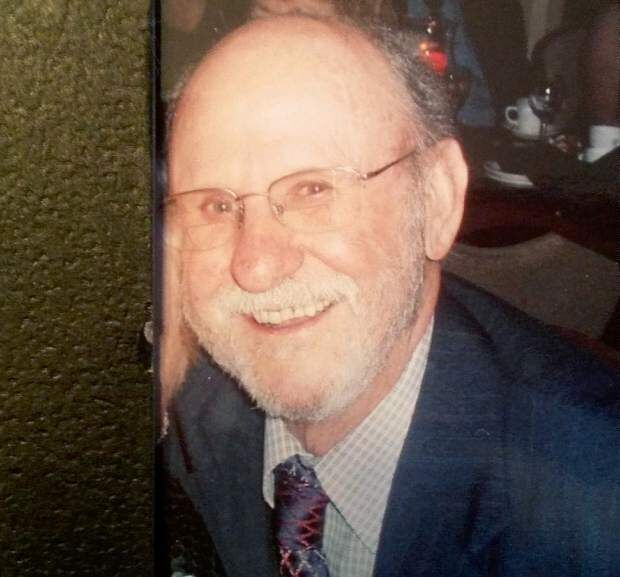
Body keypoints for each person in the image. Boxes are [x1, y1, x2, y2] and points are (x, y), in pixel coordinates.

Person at [159, 13, 619, 577]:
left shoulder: (595, 508)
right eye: (215, 206)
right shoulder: (177, 399)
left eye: (313, 189)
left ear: (437, 200)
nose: (255, 265)